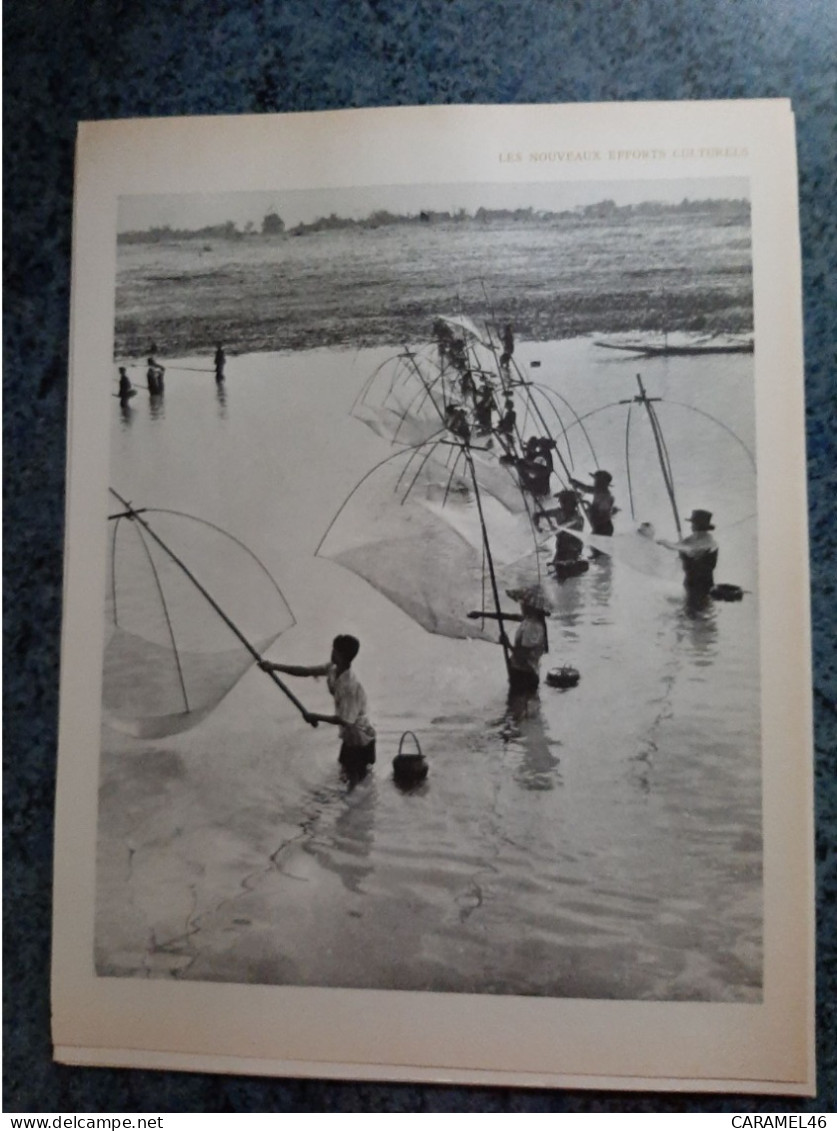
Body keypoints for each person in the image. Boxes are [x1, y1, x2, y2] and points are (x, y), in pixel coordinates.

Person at [259, 634, 377, 782]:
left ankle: (358, 800)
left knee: (356, 781)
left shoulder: (350, 686)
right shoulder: (333, 669)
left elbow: (345, 720)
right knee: (345, 774)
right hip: (350, 736)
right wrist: (274, 666)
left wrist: (314, 716)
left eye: (334, 650)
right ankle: (352, 801)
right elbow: (306, 671)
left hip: (361, 738)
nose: (331, 652)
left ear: (341, 655)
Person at [469, 585, 551, 694]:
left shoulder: (534, 627)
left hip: (525, 676)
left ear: (530, 607)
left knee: (520, 707)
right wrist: (481, 614)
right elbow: (507, 616)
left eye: (523, 603)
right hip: (520, 672)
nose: (521, 605)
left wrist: (507, 644)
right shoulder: (528, 620)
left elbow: (522, 657)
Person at [657, 509, 718, 593]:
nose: (691, 526)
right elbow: (679, 545)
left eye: (693, 523)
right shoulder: (693, 538)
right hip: (689, 582)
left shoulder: (708, 540)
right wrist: (669, 544)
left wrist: (667, 543)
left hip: (702, 585)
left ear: (699, 525)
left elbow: (688, 548)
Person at [571, 470, 617, 536]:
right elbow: (587, 489)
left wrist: (576, 483)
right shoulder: (601, 491)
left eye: (597, 481)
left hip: (602, 527)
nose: (595, 482)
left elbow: (587, 489)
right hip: (600, 526)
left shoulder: (603, 493)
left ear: (602, 483)